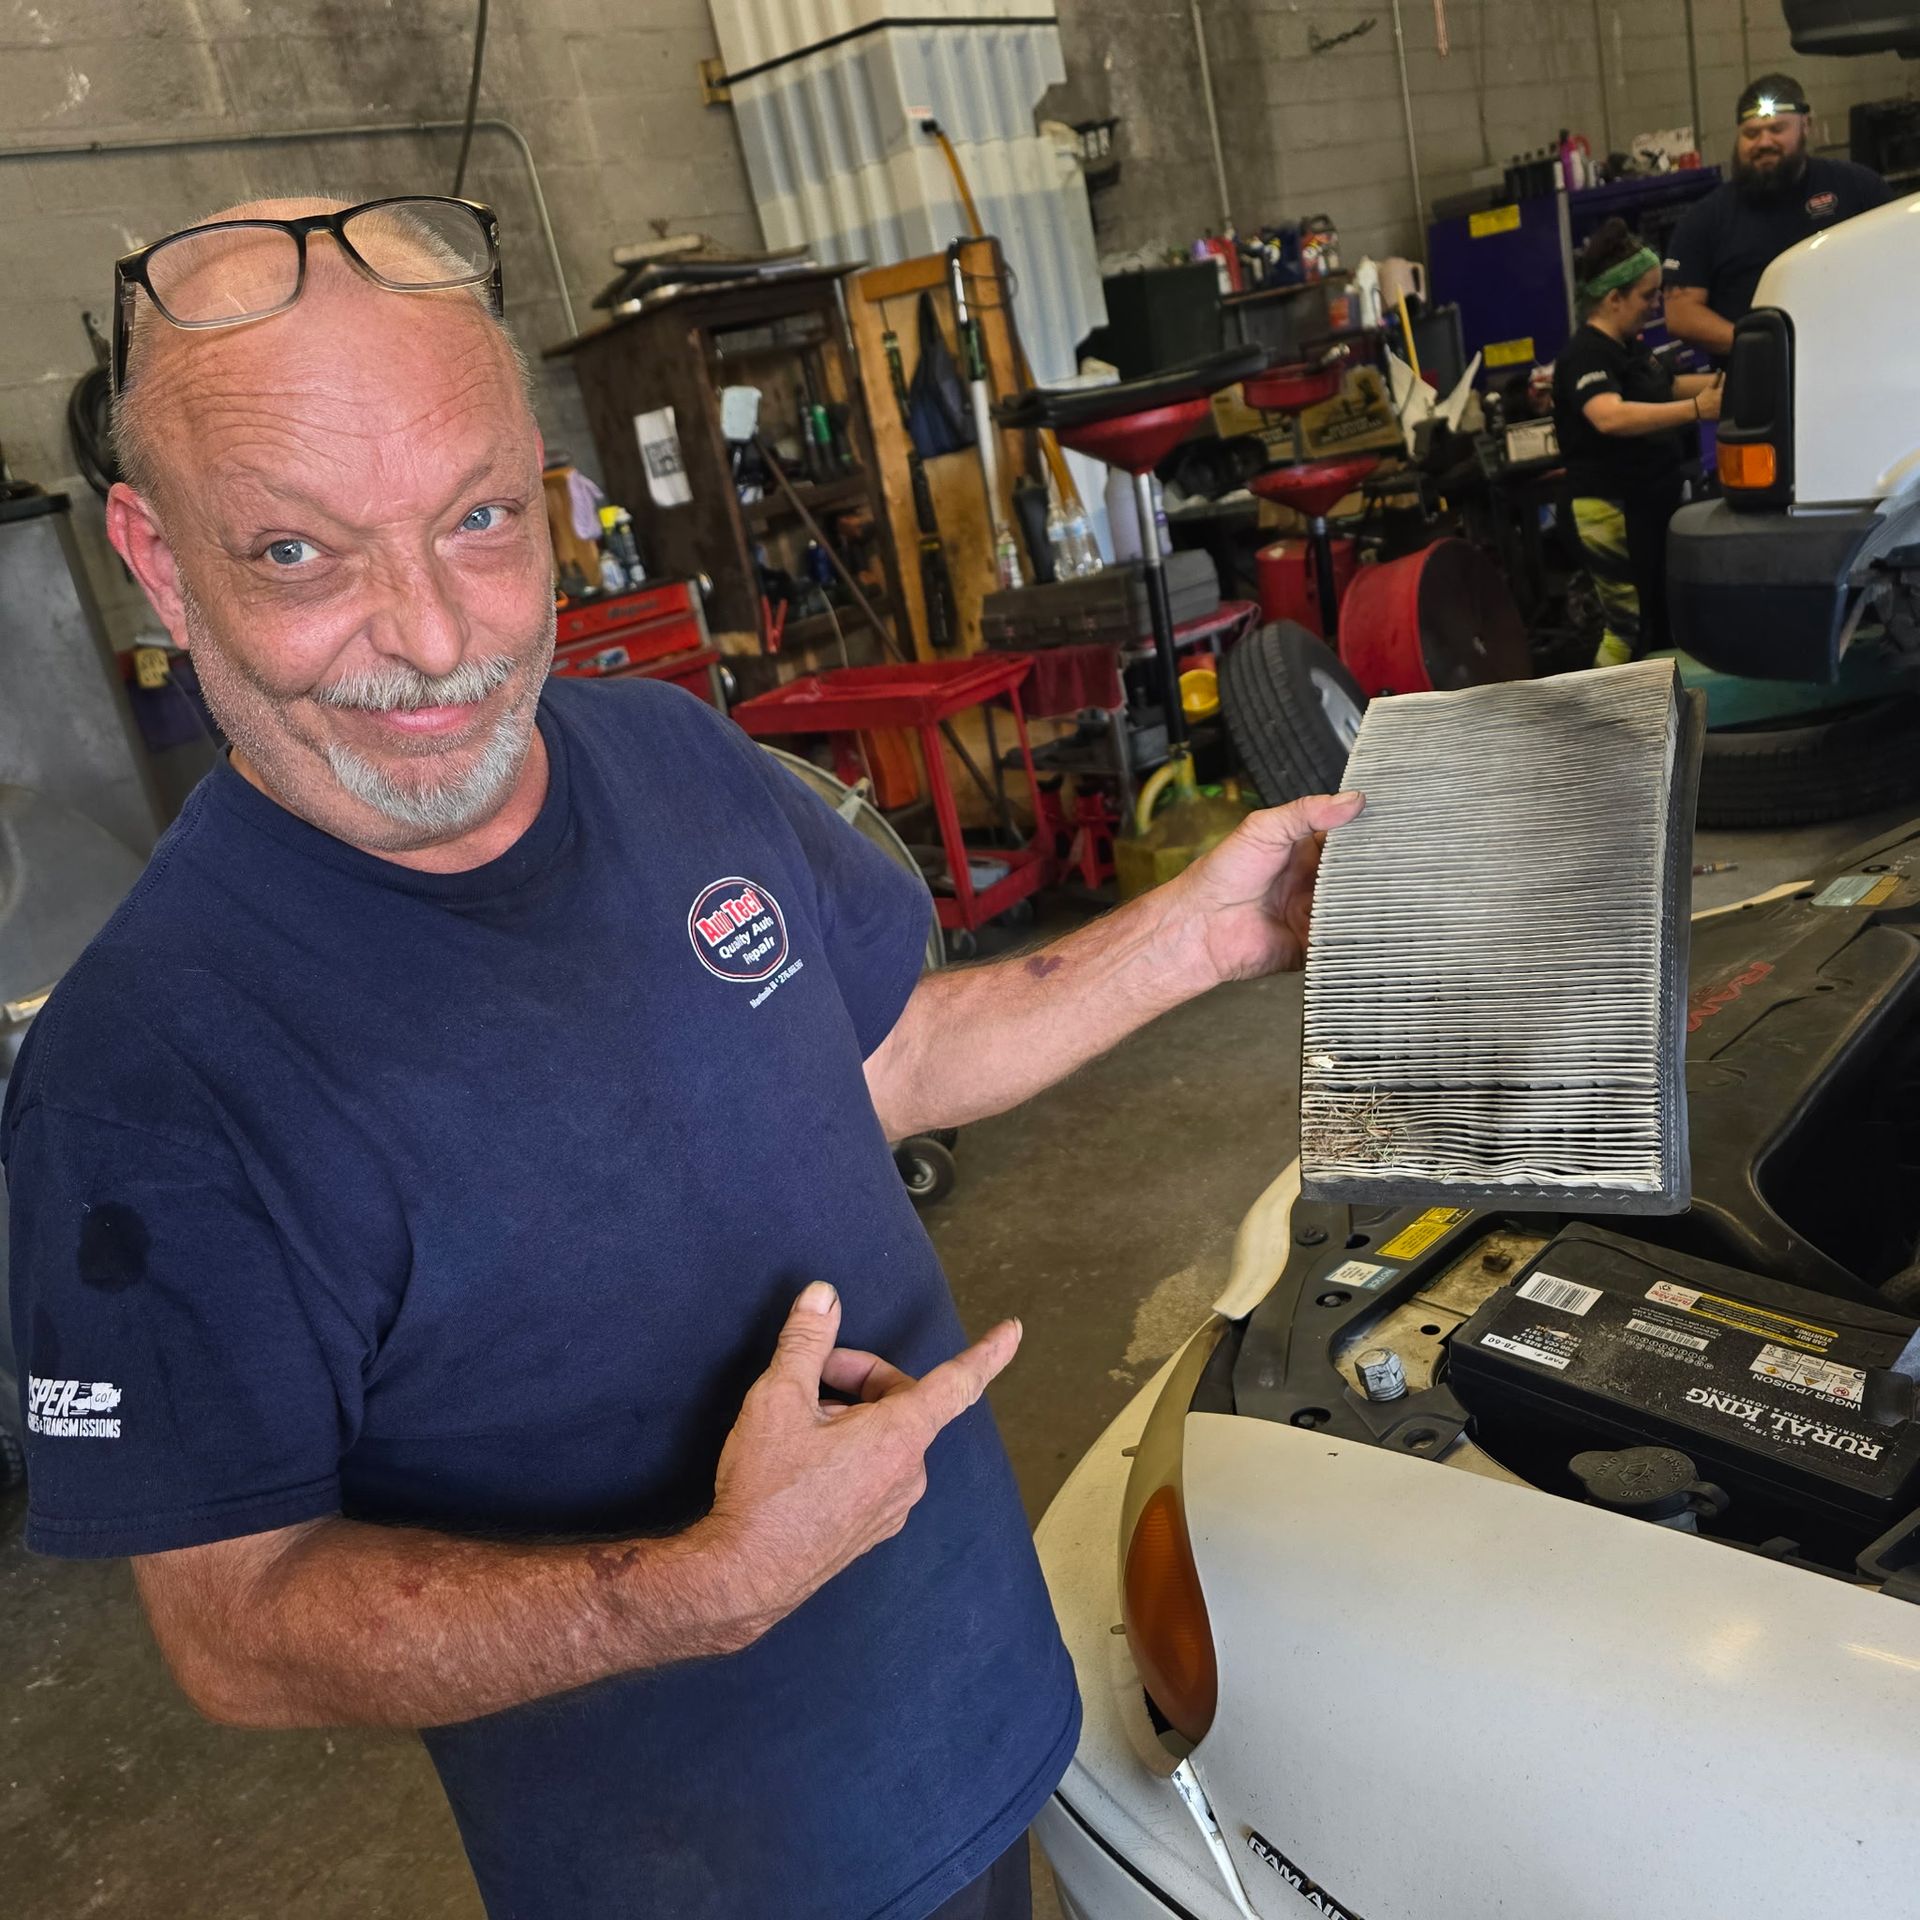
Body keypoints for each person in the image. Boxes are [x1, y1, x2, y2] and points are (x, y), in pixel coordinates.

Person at [2, 196, 1363, 1920]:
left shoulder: (659, 748)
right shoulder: (150, 1071)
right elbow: (238, 1624)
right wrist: (690, 1594)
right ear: (153, 555)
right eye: (299, 554)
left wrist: (1212, 928)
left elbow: (888, 1056)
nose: (433, 636)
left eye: (479, 520)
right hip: (710, 1876)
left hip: (981, 1726)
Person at [1553, 218, 1723, 666]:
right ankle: (1600, 729)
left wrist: (1736, 382)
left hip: (1647, 503)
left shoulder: (1631, 348)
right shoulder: (1585, 353)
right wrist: (1696, 411)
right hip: (1607, 510)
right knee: (1626, 628)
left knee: (1661, 618)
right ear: (1614, 298)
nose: (1655, 306)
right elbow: (1607, 415)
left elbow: (1667, 386)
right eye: (1647, 296)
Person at [1664, 72, 1889, 358]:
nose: (1763, 142)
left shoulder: (1858, 187)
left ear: (1805, 125)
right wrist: (1766, 351)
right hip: (1761, 384)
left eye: (1777, 129)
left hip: (1860, 360)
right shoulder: (1706, 218)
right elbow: (1681, 314)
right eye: (1751, 133)